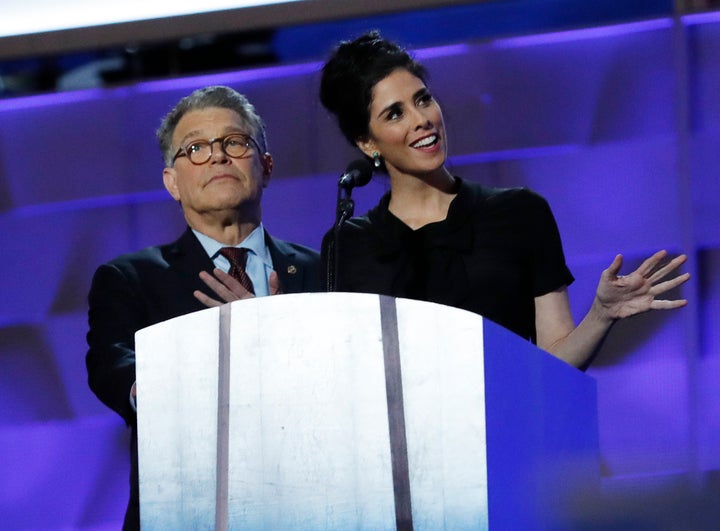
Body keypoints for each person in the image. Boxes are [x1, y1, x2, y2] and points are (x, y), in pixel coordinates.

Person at [319, 31, 689, 370]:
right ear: (367, 143)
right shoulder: (350, 245)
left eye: (423, 99)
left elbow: (554, 361)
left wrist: (601, 315)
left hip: (508, 434)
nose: (422, 120)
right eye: (395, 113)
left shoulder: (519, 214)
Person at [85, 85, 321, 530]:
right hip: (186, 509)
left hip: (308, 505)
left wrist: (277, 335)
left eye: (234, 142)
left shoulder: (322, 269)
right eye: (195, 148)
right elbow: (115, 372)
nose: (217, 157)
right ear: (172, 183)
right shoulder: (131, 279)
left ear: (266, 167)